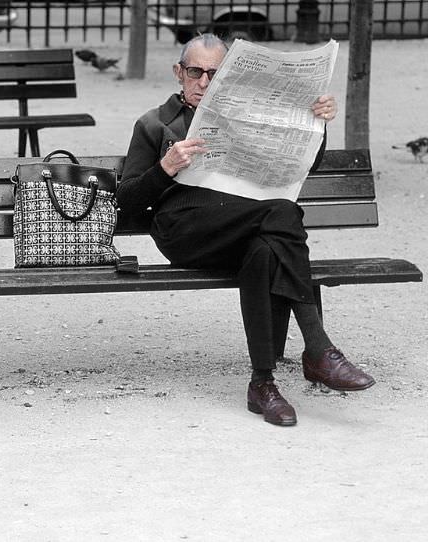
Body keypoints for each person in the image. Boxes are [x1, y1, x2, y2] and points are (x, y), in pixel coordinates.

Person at [117, 34, 375, 426]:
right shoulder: (154, 123)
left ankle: (262, 384)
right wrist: (165, 167)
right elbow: (126, 203)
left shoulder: (247, 114)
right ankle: (319, 349)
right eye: (194, 72)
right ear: (178, 72)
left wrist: (315, 124)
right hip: (185, 230)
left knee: (265, 250)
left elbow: (304, 168)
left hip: (244, 225)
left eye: (214, 74)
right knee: (283, 213)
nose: (203, 82)